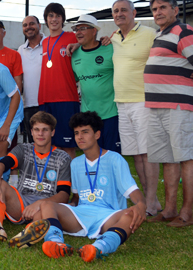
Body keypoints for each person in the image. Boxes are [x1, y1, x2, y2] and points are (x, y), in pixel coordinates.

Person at [39, 111, 146, 263]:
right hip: (81, 215)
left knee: (129, 215)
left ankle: (99, 247)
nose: (80, 137)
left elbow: (132, 191)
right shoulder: (75, 163)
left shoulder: (115, 159)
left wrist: (141, 204)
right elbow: (76, 198)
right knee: (47, 205)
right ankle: (56, 243)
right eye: (76, 133)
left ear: (97, 134)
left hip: (109, 216)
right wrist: (67, 207)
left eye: (85, 132)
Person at [144, 0, 193, 227]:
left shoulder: (184, 31)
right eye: (154, 9)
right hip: (157, 107)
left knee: (186, 158)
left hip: (179, 106)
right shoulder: (160, 35)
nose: (158, 12)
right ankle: (170, 209)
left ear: (175, 10)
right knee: (168, 159)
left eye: (163, 7)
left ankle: (187, 213)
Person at [0, 111, 71, 248]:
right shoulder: (23, 149)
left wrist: (40, 203)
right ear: (32, 132)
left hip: (46, 204)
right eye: (37, 130)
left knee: (43, 213)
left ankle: (28, 232)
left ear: (52, 132)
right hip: (20, 202)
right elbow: (0, 165)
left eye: (45, 130)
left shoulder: (62, 157)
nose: (40, 134)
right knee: (1, 184)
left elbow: (64, 195)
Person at [109, 0, 160, 215]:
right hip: (122, 102)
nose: (119, 14)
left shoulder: (149, 34)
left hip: (144, 101)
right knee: (136, 154)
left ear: (134, 12)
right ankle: (151, 199)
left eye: (123, 10)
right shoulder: (113, 38)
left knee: (148, 153)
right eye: (115, 11)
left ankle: (149, 202)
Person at [71, 14, 120, 153]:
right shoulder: (74, 54)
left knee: (111, 156)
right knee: (92, 156)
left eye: (83, 29)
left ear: (94, 31)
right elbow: (74, 79)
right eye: (77, 29)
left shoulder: (110, 48)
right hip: (88, 116)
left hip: (111, 114)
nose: (78, 32)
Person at [38, 2, 80, 158]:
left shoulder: (72, 37)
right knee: (49, 145)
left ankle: (70, 181)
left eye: (57, 16)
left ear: (63, 19)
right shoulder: (43, 42)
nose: (54, 19)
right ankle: (55, 180)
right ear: (46, 19)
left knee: (67, 146)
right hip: (45, 99)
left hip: (66, 99)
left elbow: (90, 42)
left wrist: (78, 44)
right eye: (50, 16)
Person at [18, 15, 44, 144]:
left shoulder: (49, 44)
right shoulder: (21, 50)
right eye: (25, 25)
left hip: (47, 103)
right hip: (28, 104)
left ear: (39, 26)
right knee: (33, 144)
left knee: (51, 142)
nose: (28, 27)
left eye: (31, 24)